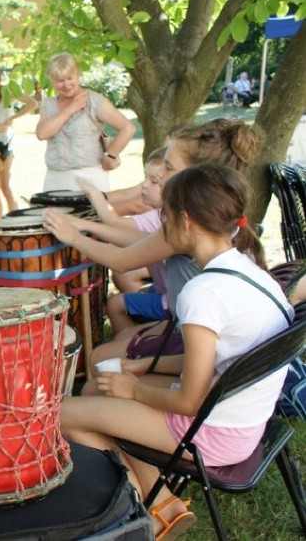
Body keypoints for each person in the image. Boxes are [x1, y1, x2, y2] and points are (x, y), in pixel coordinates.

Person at [60, 163, 292, 541]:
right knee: (96, 388)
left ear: (184, 220)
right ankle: (162, 502)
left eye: (164, 217)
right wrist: (136, 368)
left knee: (62, 415)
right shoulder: (253, 273)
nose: (162, 226)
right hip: (243, 419)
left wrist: (133, 390)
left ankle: (149, 508)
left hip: (212, 432)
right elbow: (216, 361)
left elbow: (189, 399)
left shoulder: (203, 293)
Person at [42, 118, 264, 381]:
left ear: (198, 177)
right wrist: (80, 224)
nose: (159, 175)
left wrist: (74, 237)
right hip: (202, 332)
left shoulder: (187, 225)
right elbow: (137, 239)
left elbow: (123, 260)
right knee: (116, 347)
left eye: (168, 168)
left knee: (101, 359)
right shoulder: (203, 218)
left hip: (202, 341)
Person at [75, 149, 169, 333]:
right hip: (165, 290)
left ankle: (128, 346)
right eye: (145, 179)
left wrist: (94, 194)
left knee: (115, 304)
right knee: (136, 292)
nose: (144, 186)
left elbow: (115, 224)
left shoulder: (159, 219)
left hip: (171, 301)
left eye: (153, 182)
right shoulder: (159, 215)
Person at [35, 53, 136, 192]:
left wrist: (111, 155)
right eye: (60, 80)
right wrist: (72, 108)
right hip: (56, 177)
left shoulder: (94, 100)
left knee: (92, 214)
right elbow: (42, 133)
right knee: (53, 214)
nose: (66, 84)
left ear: (77, 74)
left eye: (70, 78)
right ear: (52, 80)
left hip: (91, 176)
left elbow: (127, 128)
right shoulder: (48, 104)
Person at [0, 58, 38, 219]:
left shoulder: (6, 91)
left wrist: (13, 118)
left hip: (4, 144)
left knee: (5, 186)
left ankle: (16, 222)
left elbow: (33, 103)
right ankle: (0, 223)